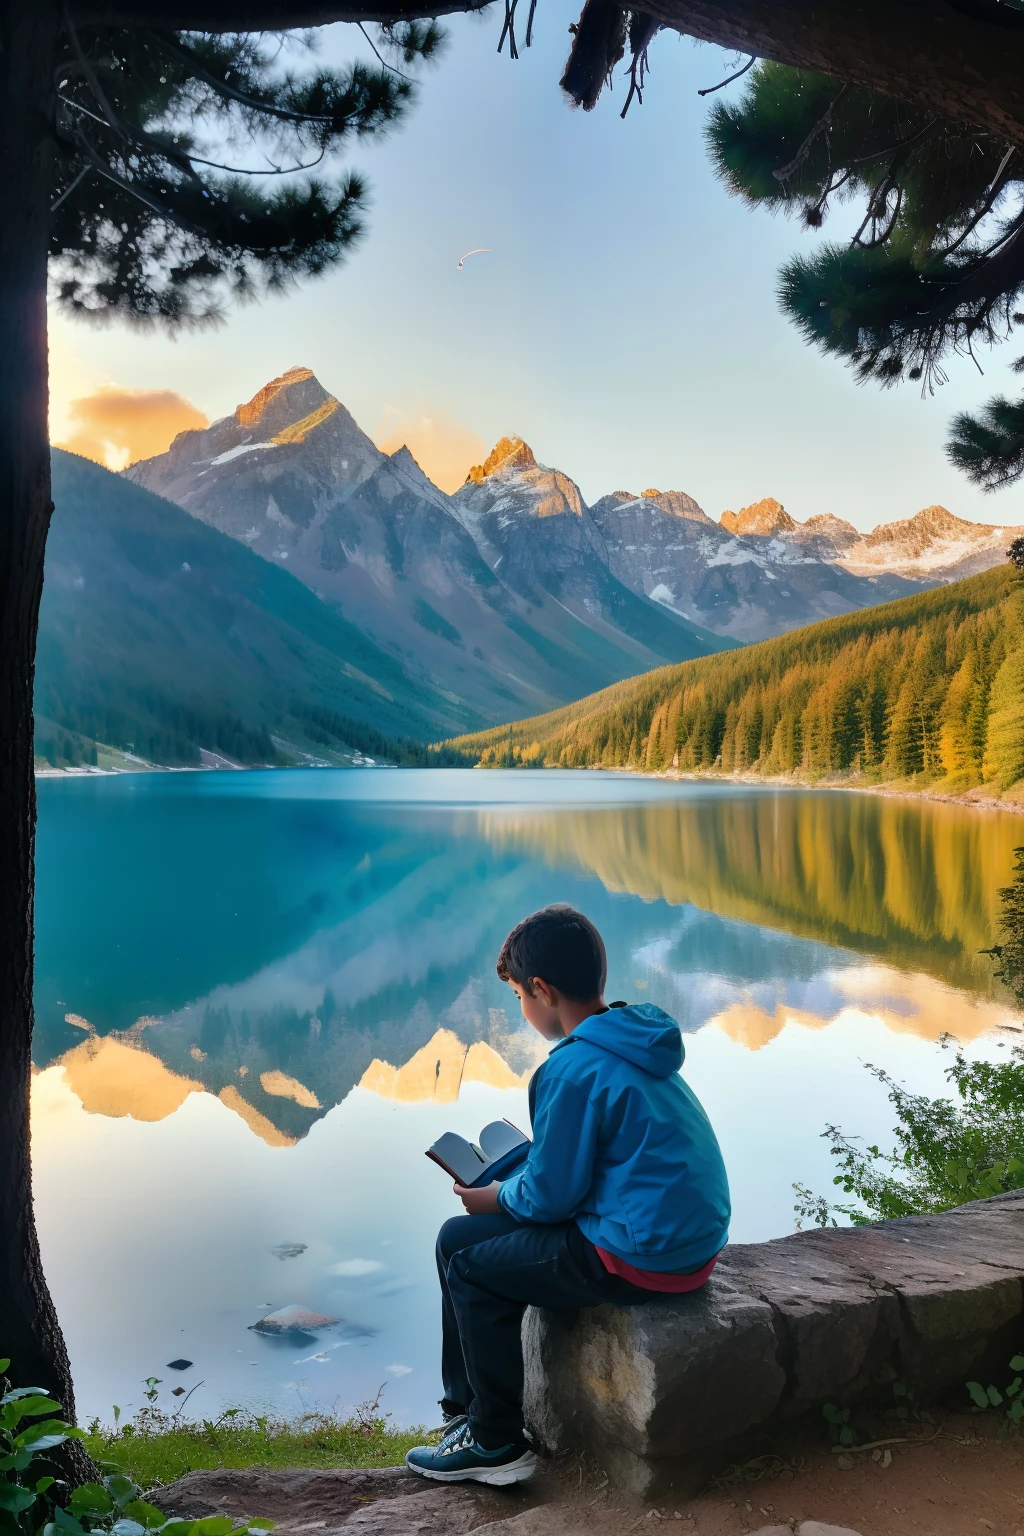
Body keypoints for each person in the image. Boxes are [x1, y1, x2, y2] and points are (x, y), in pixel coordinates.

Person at [405, 904, 731, 1486]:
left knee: (468, 1264)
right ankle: (467, 1416)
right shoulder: (635, 1039)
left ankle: (494, 1440)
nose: (523, 1011)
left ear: (541, 989)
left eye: (518, 998)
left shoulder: (571, 1069)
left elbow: (552, 1200)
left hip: (637, 1256)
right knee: (454, 1239)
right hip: (689, 1243)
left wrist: (494, 1197)